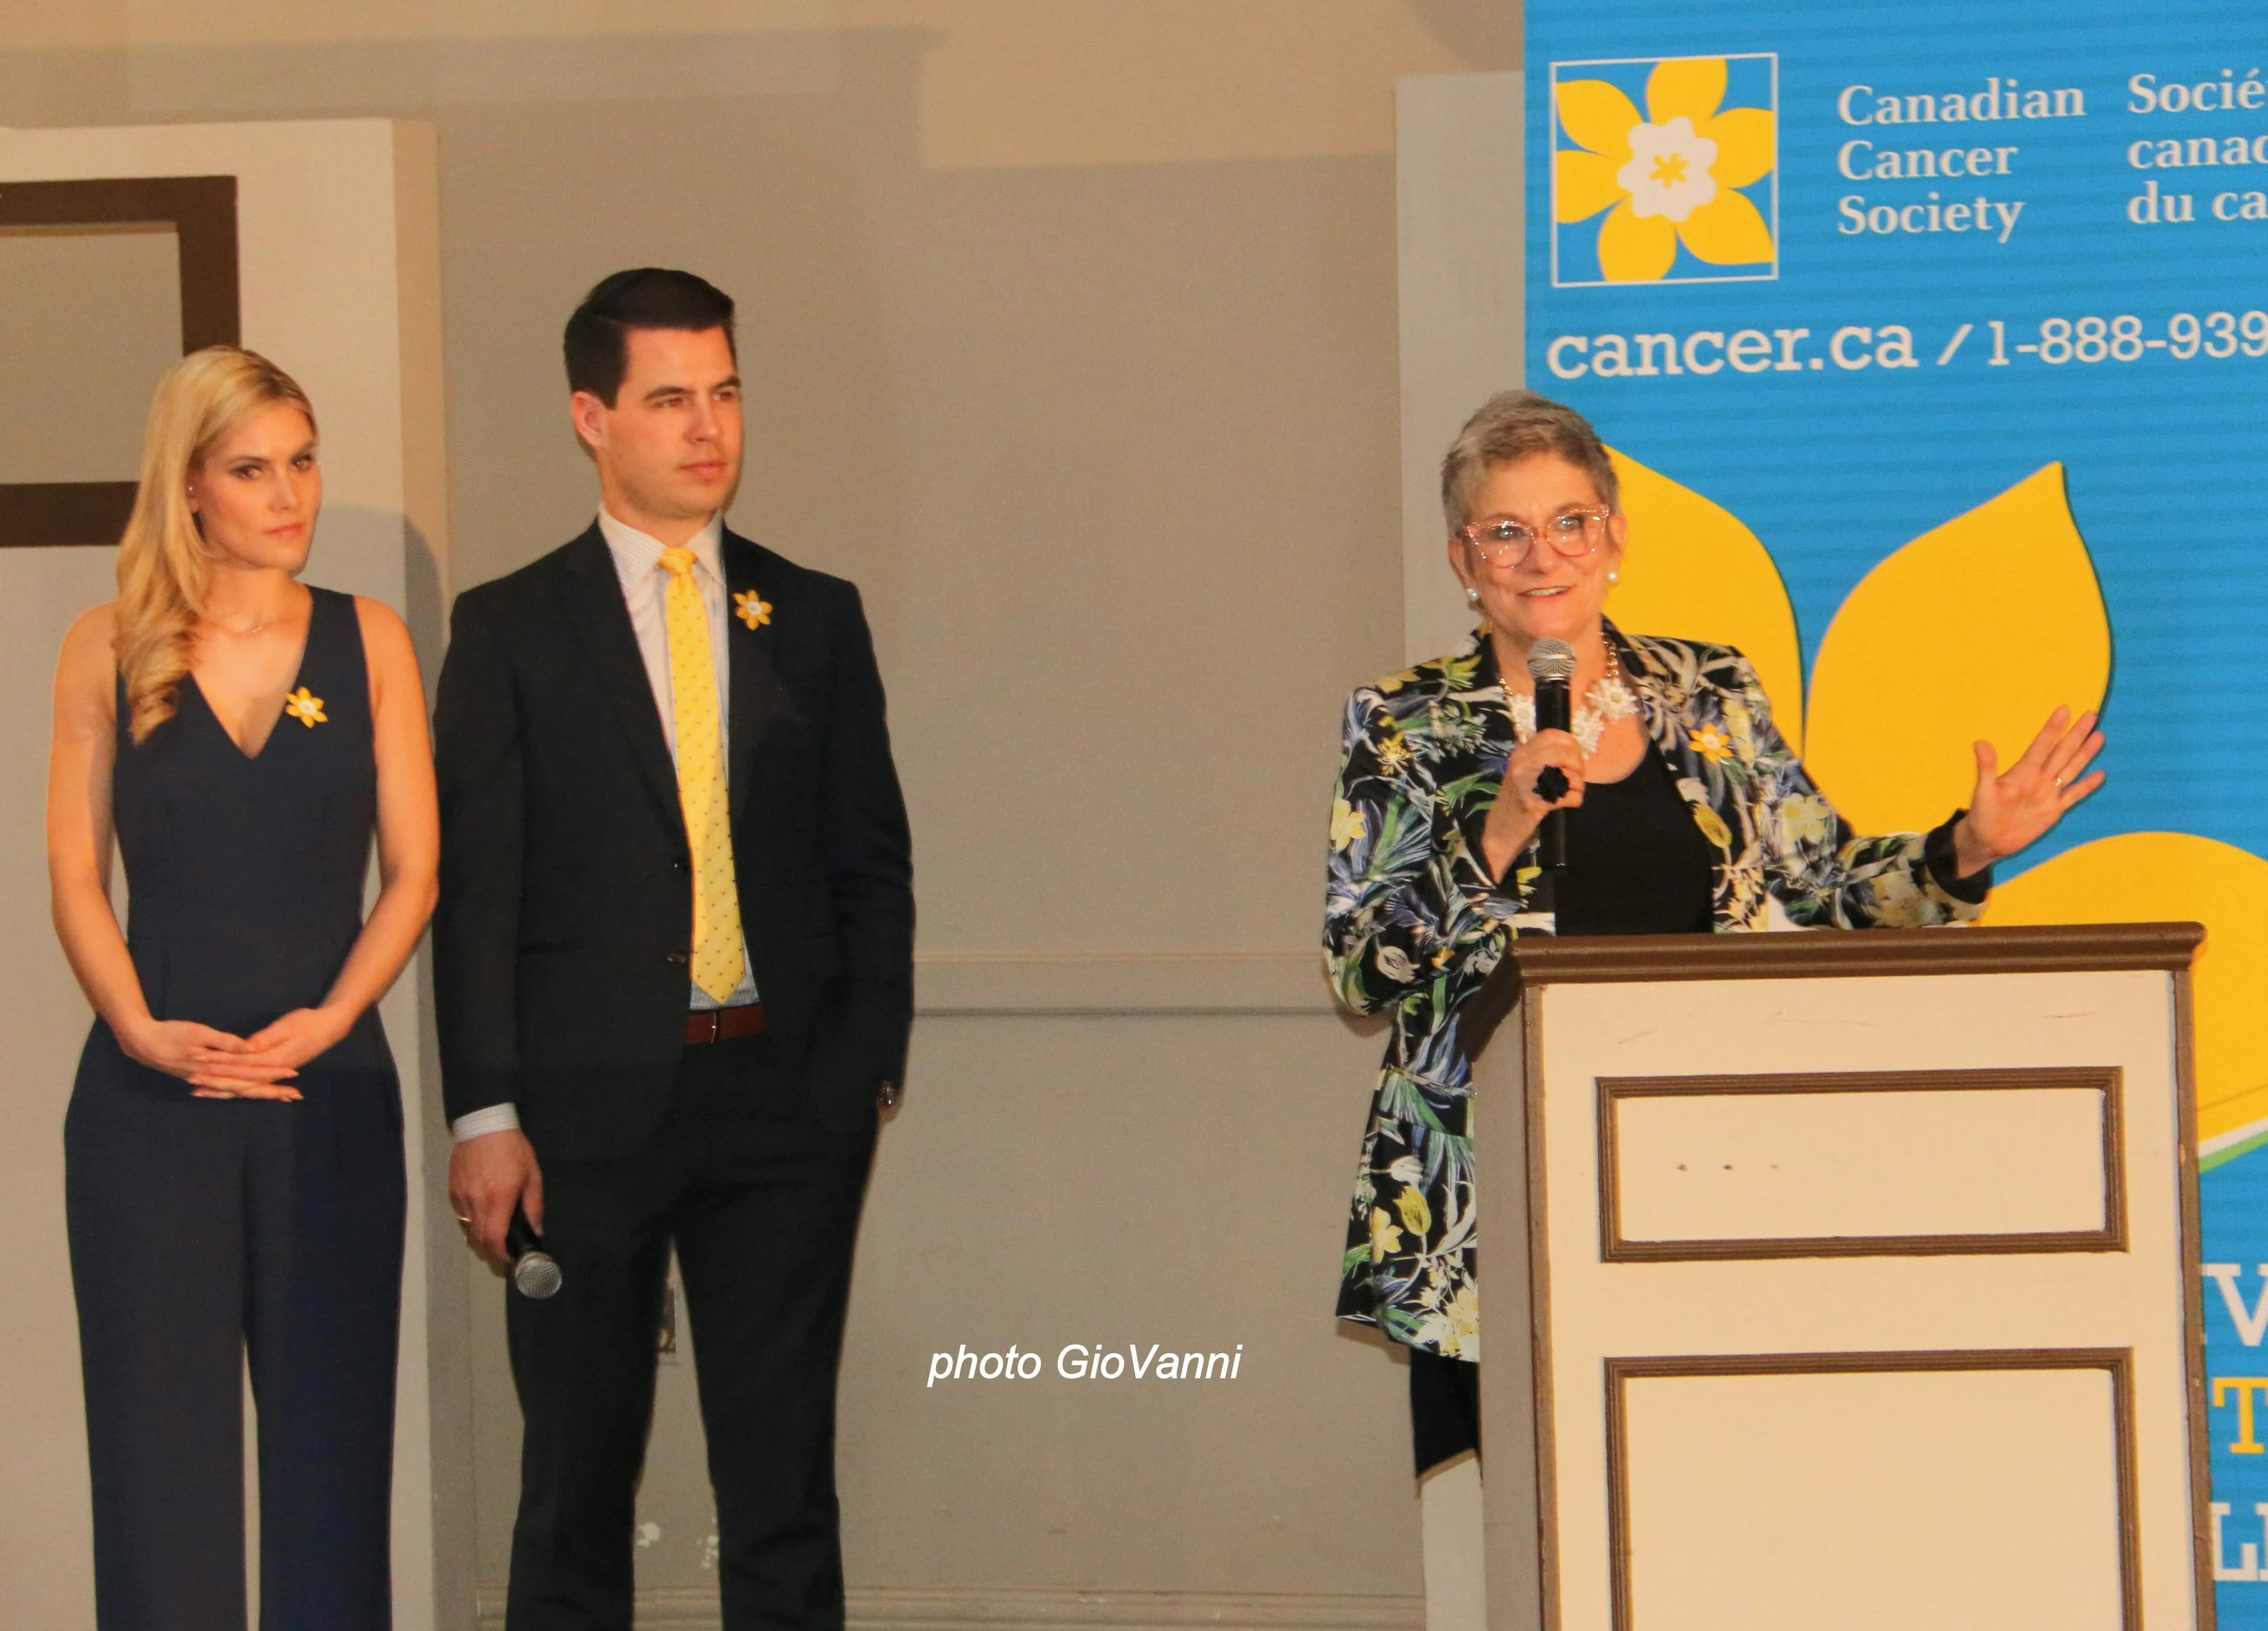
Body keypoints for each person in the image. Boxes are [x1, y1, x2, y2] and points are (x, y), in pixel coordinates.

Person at [1324, 389, 2103, 1480]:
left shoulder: (1713, 691)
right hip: (1495, 1185)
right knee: (1548, 1508)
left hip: (1701, 1163)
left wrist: (1963, 846)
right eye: (1506, 531)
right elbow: (1363, 964)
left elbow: (1823, 887)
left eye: (1569, 522)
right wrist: (1497, 831)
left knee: (1700, 1486)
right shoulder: (1406, 721)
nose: (1541, 556)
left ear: (1614, 536)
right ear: (1465, 556)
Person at [434, 268, 913, 1631]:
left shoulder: (812, 615)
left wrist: (860, 1072)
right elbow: (477, 895)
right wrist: (487, 1113)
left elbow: (870, 861)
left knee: (781, 1484)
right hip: (581, 1118)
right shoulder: (514, 626)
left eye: (725, 393)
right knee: (574, 1481)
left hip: (786, 1105)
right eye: (668, 399)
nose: (707, 428)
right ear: (592, 416)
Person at [48, 346, 438, 1630]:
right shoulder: (104, 647)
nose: (291, 495)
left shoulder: (368, 638)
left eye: (304, 461)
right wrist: (139, 1029)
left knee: (331, 1449)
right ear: (192, 487)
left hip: (327, 1096)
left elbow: (417, 871)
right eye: (253, 469)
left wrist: (330, 1021)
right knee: (160, 1473)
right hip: (148, 1112)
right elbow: (73, 879)